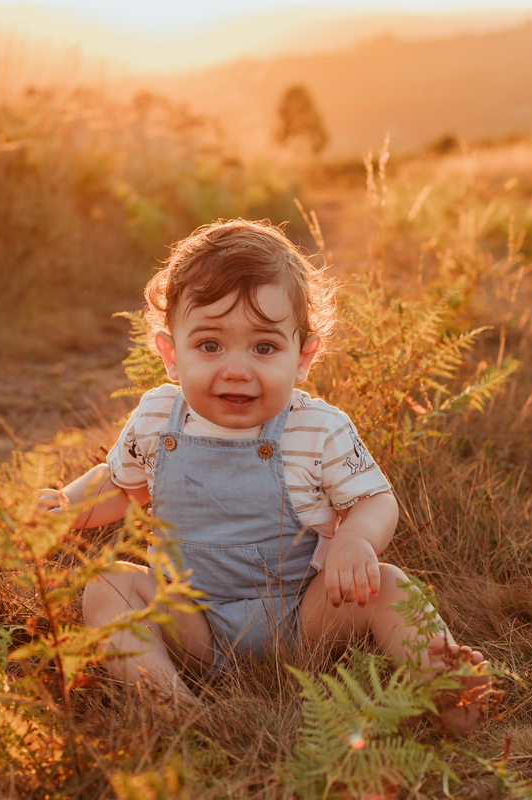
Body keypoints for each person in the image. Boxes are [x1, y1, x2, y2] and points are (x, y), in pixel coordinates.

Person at [38, 219, 493, 734]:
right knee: (108, 586)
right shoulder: (156, 418)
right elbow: (120, 485)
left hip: (303, 619)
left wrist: (356, 539)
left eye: (263, 348)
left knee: (390, 586)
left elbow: (375, 498)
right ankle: (170, 705)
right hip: (192, 624)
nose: (236, 369)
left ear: (303, 357)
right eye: (209, 345)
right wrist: (66, 505)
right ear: (171, 354)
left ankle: (448, 686)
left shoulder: (315, 427)